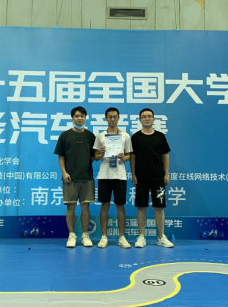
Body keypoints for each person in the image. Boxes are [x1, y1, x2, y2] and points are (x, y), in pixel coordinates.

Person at [131, 108, 174, 248]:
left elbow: (165, 156)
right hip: (141, 178)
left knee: (159, 207)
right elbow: (133, 157)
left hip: (158, 178)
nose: (147, 119)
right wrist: (133, 174)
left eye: (149, 116)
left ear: (154, 119)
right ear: (140, 120)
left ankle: (161, 237)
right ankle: (141, 236)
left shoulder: (160, 136)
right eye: (144, 117)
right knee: (141, 207)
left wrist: (166, 174)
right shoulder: (136, 137)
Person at [54, 106, 96, 248]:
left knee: (85, 207)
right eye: (77, 116)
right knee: (70, 207)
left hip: (86, 178)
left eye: (82, 116)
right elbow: (61, 156)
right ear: (72, 118)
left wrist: (84, 165)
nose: (80, 118)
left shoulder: (90, 136)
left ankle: (85, 235)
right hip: (70, 178)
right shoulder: (65, 135)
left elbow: (93, 157)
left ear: (85, 118)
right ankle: (72, 235)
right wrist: (64, 172)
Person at [93, 107, 132, 248]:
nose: (113, 119)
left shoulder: (125, 136)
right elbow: (96, 157)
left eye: (115, 116)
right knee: (105, 205)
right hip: (104, 175)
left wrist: (123, 157)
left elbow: (129, 155)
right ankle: (104, 236)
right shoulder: (100, 136)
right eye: (110, 117)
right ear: (106, 118)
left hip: (120, 175)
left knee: (120, 206)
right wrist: (102, 153)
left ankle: (121, 237)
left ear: (119, 118)